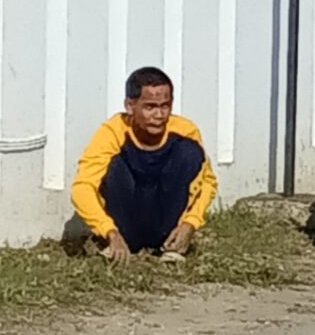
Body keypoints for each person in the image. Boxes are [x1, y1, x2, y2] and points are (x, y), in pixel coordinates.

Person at [71, 67, 218, 263]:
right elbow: (82, 188)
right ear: (130, 106)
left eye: (165, 106)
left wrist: (190, 224)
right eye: (150, 107)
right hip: (124, 219)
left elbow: (207, 183)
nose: (159, 115)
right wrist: (109, 231)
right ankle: (115, 246)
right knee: (114, 166)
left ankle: (172, 246)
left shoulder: (185, 131)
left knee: (189, 152)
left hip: (165, 218)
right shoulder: (113, 133)